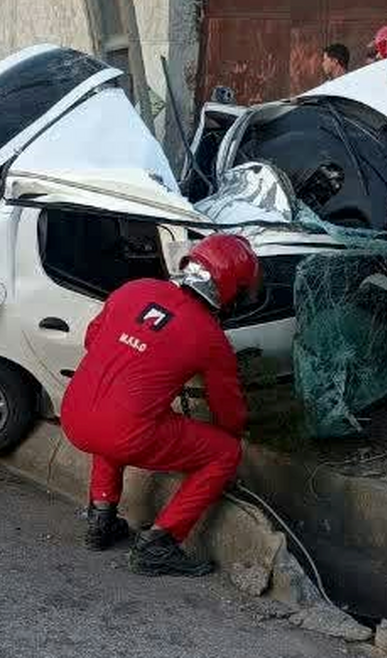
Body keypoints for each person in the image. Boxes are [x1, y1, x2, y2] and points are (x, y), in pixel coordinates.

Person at [60, 234, 259, 576]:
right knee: (224, 452)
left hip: (74, 412)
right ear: (229, 288)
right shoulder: (210, 338)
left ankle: (100, 518)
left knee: (118, 414)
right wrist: (229, 436)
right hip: (123, 431)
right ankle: (159, 545)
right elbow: (228, 409)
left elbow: (93, 338)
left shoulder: (136, 288)